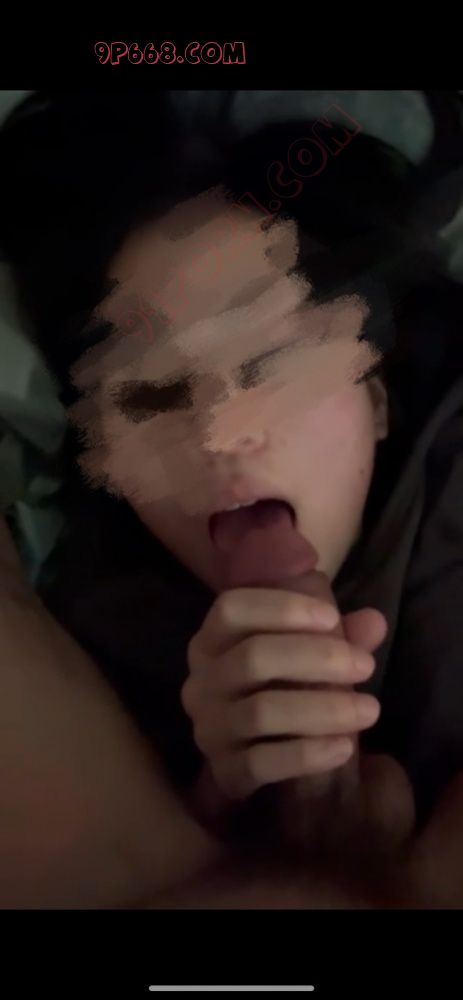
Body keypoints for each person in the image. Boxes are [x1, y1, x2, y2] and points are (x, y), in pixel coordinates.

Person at [2, 89, 463, 907]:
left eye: (267, 364)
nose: (215, 432)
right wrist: (220, 811)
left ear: (375, 394)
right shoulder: (92, 632)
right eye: (149, 397)